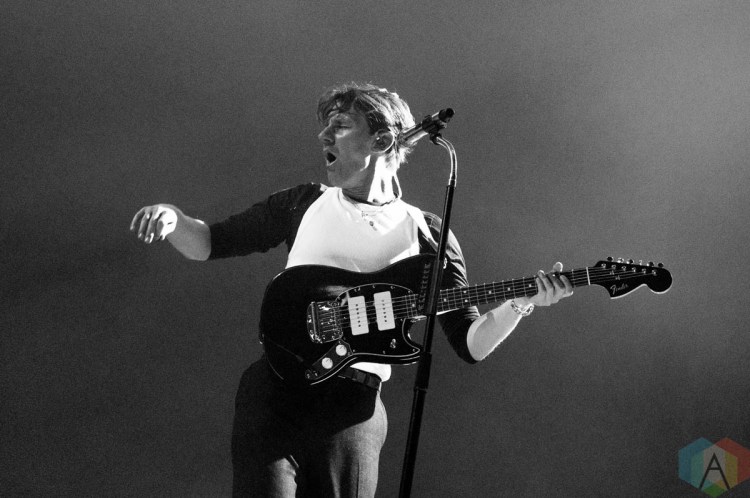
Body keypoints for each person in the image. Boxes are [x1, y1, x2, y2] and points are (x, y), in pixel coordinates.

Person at [130, 83, 573, 497]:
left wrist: (522, 303)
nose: (324, 135)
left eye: (340, 125)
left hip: (353, 412)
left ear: (383, 140)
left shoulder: (427, 233)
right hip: (276, 394)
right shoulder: (304, 203)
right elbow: (210, 242)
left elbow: (470, 343)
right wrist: (172, 218)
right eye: (326, 125)